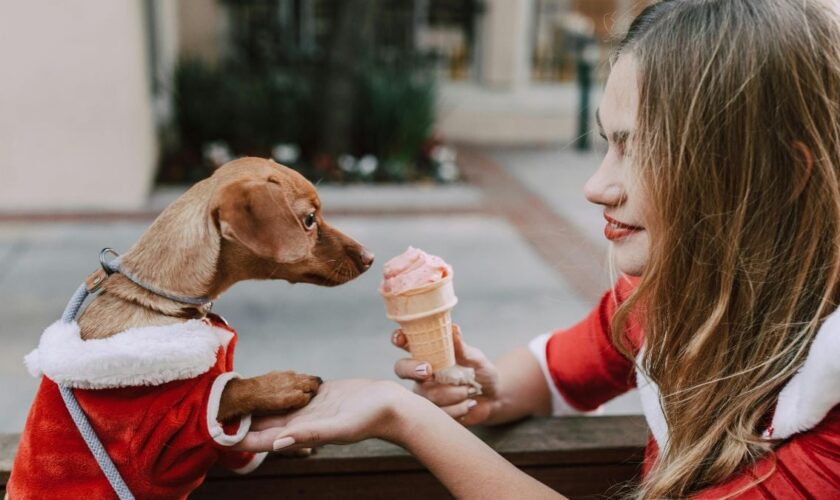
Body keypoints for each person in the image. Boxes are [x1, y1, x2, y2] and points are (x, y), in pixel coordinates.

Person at [235, 0, 840, 497]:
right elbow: (553, 371)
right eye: (606, 143)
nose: (595, 187)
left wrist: (405, 417)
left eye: (641, 150)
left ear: (782, 175)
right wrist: (482, 389)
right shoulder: (662, 300)